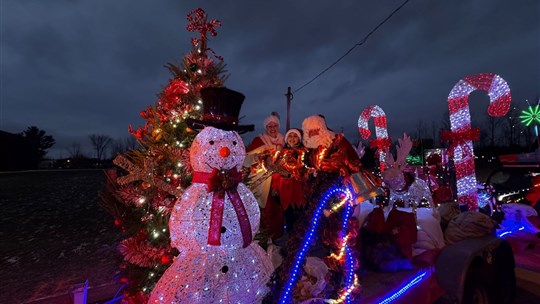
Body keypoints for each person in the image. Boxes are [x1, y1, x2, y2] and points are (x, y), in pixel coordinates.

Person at [245, 112, 285, 240]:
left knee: (278, 207)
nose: (272, 129)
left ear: (278, 126)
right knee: (264, 206)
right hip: (263, 180)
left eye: (275, 126)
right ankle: (263, 236)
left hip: (278, 179)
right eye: (269, 126)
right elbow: (247, 159)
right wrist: (262, 157)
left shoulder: (283, 140)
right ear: (265, 128)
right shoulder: (260, 140)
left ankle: (276, 235)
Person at [276, 128, 308, 233]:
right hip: (285, 187)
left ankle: (302, 237)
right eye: (290, 136)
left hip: (300, 187)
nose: (292, 138)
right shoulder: (282, 153)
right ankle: (291, 237)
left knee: (301, 214)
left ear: (299, 138)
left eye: (295, 136)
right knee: (289, 215)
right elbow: (277, 168)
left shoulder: (304, 152)